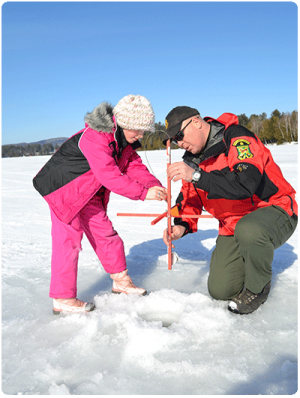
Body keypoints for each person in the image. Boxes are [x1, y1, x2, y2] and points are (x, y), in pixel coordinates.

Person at [33, 95, 167, 315]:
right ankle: (62, 298)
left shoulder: (122, 142)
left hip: (88, 192)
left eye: (144, 131)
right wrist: (143, 194)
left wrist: (154, 185)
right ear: (124, 123)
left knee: (106, 234)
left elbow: (134, 166)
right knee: (69, 243)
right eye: (138, 130)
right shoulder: (95, 138)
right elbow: (110, 176)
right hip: (63, 191)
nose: (141, 136)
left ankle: (121, 281)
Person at [162, 106, 298, 315]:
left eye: (179, 135)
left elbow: (246, 183)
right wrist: (180, 226)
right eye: (174, 140)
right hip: (232, 224)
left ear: (196, 122)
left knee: (250, 231)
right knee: (220, 289)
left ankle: (257, 288)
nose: (179, 143)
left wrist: (197, 176)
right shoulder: (191, 159)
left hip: (275, 210)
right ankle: (249, 255)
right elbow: (189, 200)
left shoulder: (237, 138)